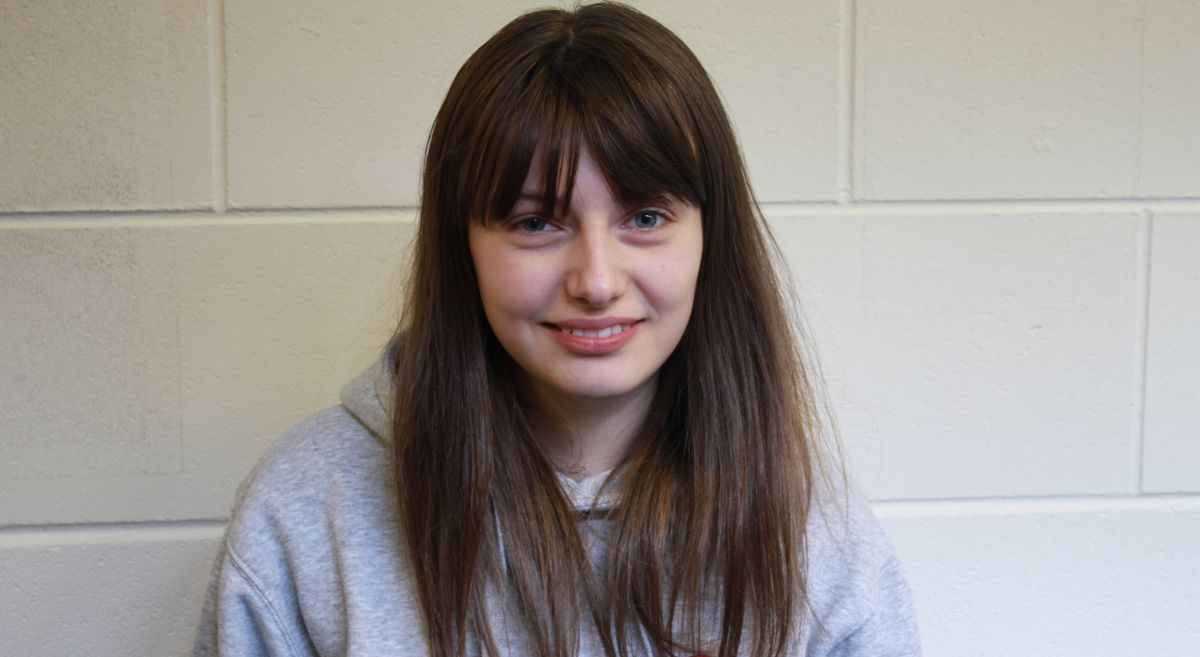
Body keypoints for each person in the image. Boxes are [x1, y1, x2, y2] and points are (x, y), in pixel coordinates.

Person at [192, 3, 920, 656]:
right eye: (536, 222)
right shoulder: (306, 511)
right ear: (463, 247)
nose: (596, 281)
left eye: (645, 217)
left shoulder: (809, 526)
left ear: (710, 239)